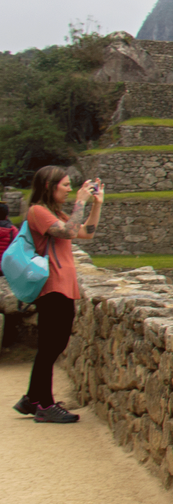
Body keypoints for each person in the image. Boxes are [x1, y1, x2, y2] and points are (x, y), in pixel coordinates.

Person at [13, 168, 104, 424]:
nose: (68, 188)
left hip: (63, 287)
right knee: (51, 346)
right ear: (49, 186)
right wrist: (80, 202)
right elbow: (66, 232)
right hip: (52, 287)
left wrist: (96, 205)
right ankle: (45, 405)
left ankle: (32, 399)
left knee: (53, 345)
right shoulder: (38, 212)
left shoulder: (56, 213)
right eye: (64, 185)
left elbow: (86, 233)